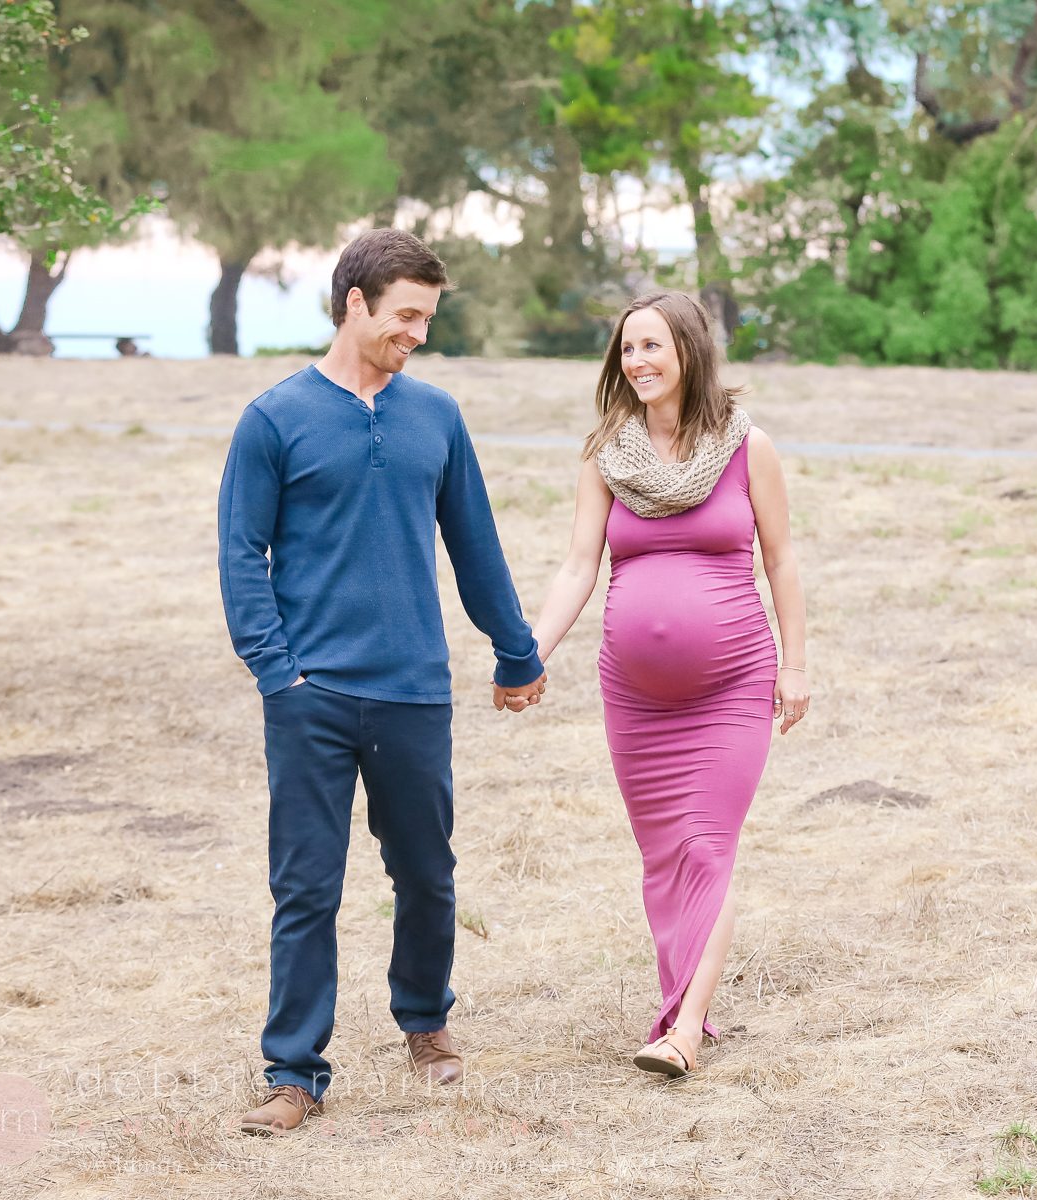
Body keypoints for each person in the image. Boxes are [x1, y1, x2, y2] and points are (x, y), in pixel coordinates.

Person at [216, 228, 546, 1134]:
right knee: (307, 885)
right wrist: (277, 673)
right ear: (354, 303)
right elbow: (241, 554)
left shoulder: (434, 415)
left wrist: (515, 651)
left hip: (413, 691)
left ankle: (427, 1025)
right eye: (406, 316)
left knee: (427, 874)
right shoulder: (274, 418)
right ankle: (293, 1074)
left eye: (429, 319)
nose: (419, 334)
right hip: (310, 696)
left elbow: (473, 542)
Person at [528, 291, 809, 1078]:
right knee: (661, 855)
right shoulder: (607, 454)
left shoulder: (747, 446)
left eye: (652, 345)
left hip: (733, 685)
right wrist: (532, 650)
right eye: (626, 349)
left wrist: (797, 662)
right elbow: (581, 563)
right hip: (636, 697)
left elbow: (781, 560)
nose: (638, 362)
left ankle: (685, 1029)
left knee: (706, 846)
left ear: (688, 349)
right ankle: (680, 1007)